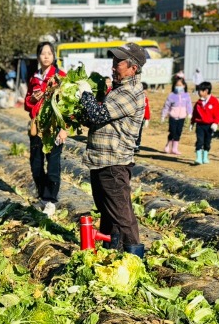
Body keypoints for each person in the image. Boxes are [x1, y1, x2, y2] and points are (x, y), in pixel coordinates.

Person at [76, 42, 147, 256]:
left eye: (118, 63)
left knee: (122, 216)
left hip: (114, 163)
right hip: (101, 160)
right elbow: (97, 120)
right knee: (108, 215)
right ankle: (111, 253)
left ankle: (135, 261)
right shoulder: (118, 91)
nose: (113, 66)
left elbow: (98, 115)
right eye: (113, 61)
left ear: (133, 68)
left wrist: (86, 95)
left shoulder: (131, 92)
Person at [24, 41, 67, 217]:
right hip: (37, 127)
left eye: (50, 53)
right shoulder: (34, 78)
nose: (46, 56)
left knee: (53, 165)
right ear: (38, 56)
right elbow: (27, 104)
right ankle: (42, 197)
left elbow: (67, 105)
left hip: (54, 128)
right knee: (36, 165)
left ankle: (51, 200)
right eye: (43, 53)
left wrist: (64, 128)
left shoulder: (60, 77)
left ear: (54, 56)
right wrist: (33, 99)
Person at [191, 81, 219, 164]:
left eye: (200, 91)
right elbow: (195, 113)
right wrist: (192, 122)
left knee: (207, 142)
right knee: (199, 141)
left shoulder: (214, 101)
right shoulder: (198, 103)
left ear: (206, 91)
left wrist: (216, 123)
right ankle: (198, 158)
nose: (198, 93)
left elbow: (217, 113)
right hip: (200, 125)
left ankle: (205, 157)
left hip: (209, 126)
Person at [161, 78, 193, 156]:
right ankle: (168, 145)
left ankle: (175, 148)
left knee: (178, 132)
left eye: (180, 85)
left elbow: (189, 105)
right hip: (173, 116)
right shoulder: (171, 95)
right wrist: (163, 115)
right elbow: (166, 106)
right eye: (177, 85)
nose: (178, 87)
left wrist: (189, 113)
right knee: (172, 131)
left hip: (182, 117)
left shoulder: (186, 95)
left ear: (184, 85)